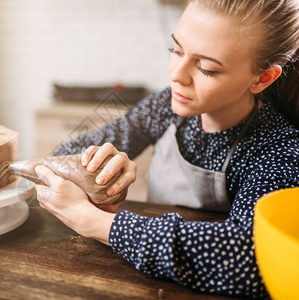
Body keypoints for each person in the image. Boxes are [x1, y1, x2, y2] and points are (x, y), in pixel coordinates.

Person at [34, 0, 299, 297]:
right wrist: (97, 172)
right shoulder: (164, 106)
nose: (177, 75)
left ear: (263, 78)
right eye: (176, 50)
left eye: (206, 68)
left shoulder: (278, 148)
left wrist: (96, 223)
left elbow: (247, 255)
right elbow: (65, 152)